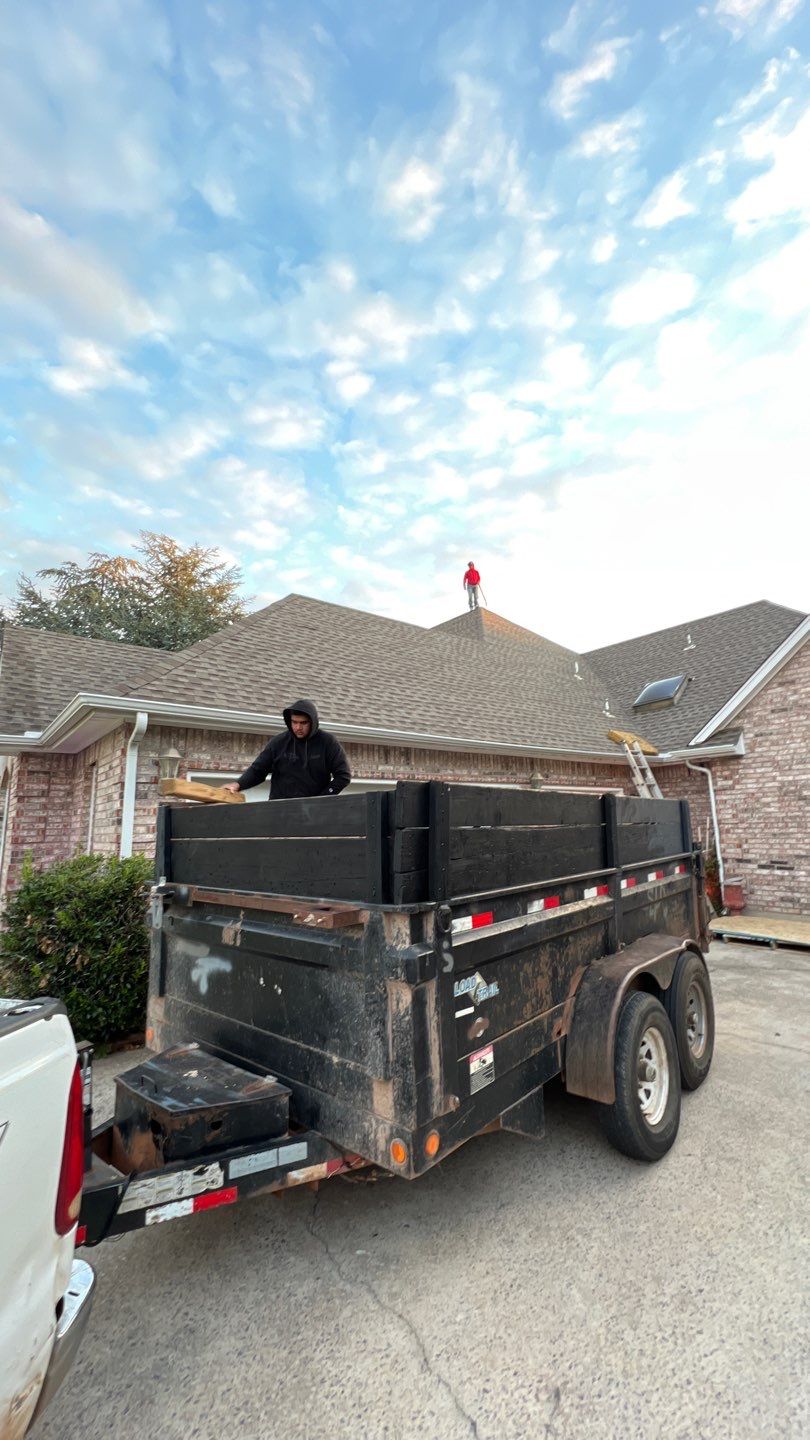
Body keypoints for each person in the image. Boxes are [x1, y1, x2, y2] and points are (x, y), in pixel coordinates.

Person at [222, 699, 351, 800]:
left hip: (314, 811)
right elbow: (258, 770)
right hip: (279, 809)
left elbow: (343, 776)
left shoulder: (327, 742)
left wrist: (322, 798)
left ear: (313, 722)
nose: (298, 727)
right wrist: (238, 785)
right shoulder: (279, 742)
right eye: (294, 722)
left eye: (303, 723)